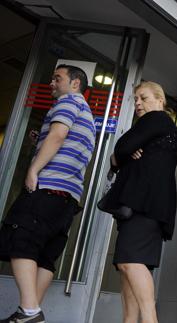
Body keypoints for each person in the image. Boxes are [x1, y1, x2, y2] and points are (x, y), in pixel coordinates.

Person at [0, 65, 95, 323]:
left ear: (75, 83)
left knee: (20, 239)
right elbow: (65, 142)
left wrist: (33, 169)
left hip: (49, 186)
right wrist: (38, 141)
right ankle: (28, 312)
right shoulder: (87, 113)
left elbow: (58, 135)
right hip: (68, 197)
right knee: (44, 255)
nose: (52, 83)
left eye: (58, 78)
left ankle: (30, 312)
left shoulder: (68, 101)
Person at [108, 81, 177, 323]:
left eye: (144, 98)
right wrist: (124, 154)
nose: (138, 103)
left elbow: (122, 148)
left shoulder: (156, 119)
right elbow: (119, 156)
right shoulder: (164, 127)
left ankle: (150, 320)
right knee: (130, 268)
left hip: (144, 206)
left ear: (160, 101)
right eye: (136, 99)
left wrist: (125, 152)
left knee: (129, 262)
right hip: (152, 208)